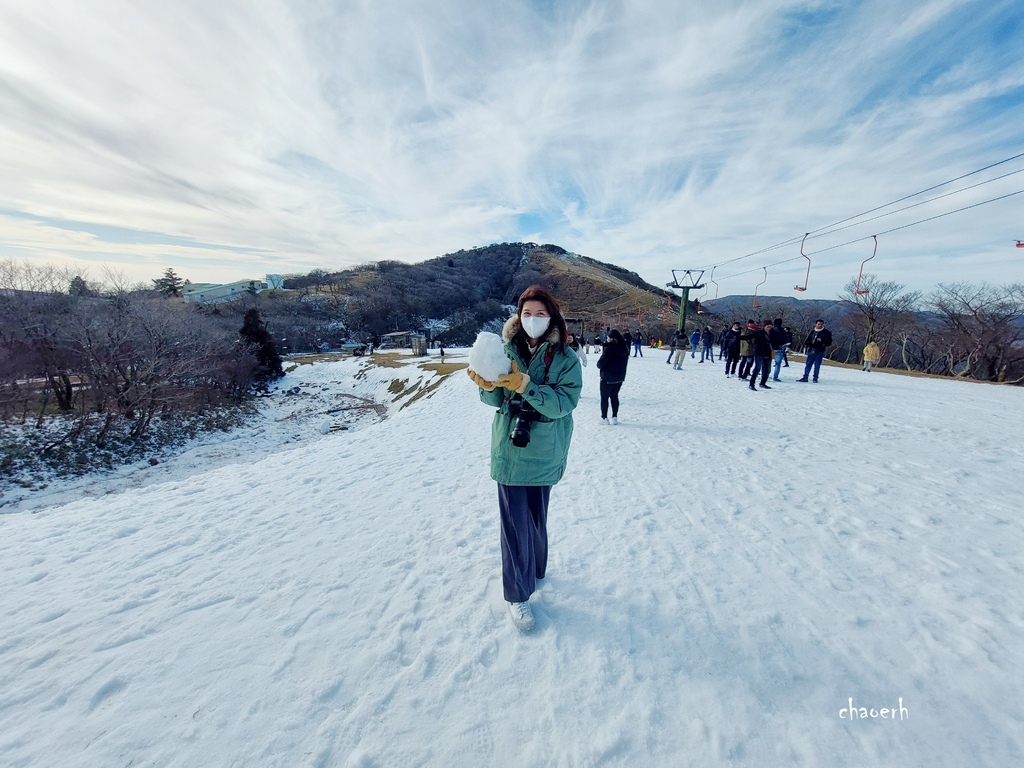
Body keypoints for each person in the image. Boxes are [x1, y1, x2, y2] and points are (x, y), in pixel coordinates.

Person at [466, 285, 583, 632]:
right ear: (519, 316)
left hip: (545, 449)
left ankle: (536, 569)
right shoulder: (505, 350)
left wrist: (526, 386)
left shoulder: (566, 358)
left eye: (540, 314)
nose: (532, 320)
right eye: (527, 313)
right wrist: (488, 388)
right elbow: (495, 401)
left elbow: (565, 403)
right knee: (515, 525)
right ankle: (518, 596)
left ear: (553, 318)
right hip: (511, 453)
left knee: (535, 518)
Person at [596, 329, 629, 425]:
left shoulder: (609, 349)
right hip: (619, 377)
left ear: (611, 339)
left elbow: (600, 364)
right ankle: (615, 417)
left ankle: (604, 418)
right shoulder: (624, 348)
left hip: (607, 377)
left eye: (608, 338)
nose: (607, 339)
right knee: (614, 396)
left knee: (604, 398)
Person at [748, 320, 774, 390]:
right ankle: (751, 384)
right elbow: (749, 337)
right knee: (757, 369)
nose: (769, 327)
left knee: (768, 370)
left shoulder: (773, 333)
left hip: (768, 353)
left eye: (770, 326)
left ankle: (763, 383)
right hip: (759, 353)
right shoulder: (759, 332)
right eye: (767, 326)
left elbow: (776, 342)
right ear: (764, 326)